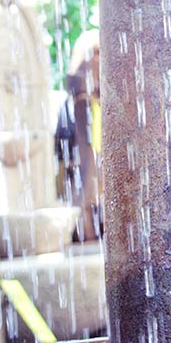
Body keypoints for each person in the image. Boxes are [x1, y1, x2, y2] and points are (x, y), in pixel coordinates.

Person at [55, 30, 103, 242]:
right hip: (83, 164)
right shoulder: (75, 104)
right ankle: (87, 231)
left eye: (99, 53)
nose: (97, 58)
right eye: (94, 53)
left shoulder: (106, 100)